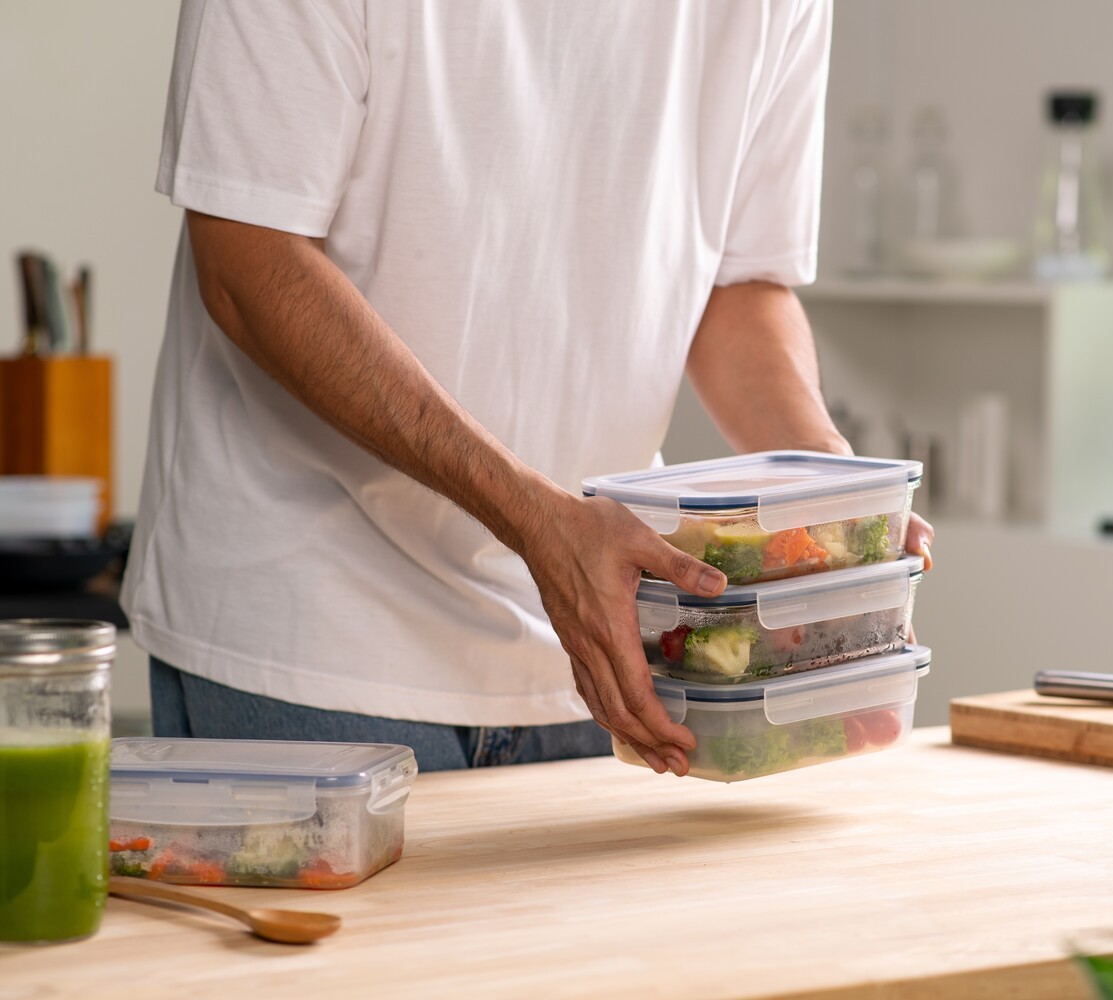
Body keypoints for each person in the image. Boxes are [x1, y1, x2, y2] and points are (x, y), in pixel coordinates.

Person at [123, 0, 933, 776]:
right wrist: (539, 524)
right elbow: (248, 264)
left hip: (599, 638)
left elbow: (737, 285)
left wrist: (833, 497)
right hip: (316, 637)